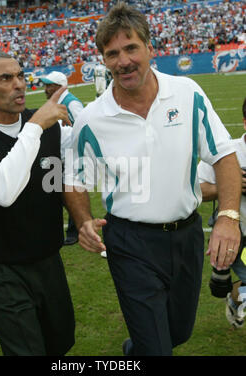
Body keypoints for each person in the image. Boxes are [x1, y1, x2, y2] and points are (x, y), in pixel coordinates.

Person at [63, 3, 241, 356]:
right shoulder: (92, 119)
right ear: (104, 59)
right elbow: (72, 177)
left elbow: (223, 154)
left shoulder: (188, 93)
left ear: (149, 48)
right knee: (158, 349)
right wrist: (83, 220)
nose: (123, 61)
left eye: (131, 48)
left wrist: (228, 216)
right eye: (112, 53)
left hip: (187, 235)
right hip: (130, 242)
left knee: (177, 333)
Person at [0, 52, 75, 356]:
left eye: (20, 75)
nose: (18, 84)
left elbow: (65, 176)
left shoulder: (51, 128)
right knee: (26, 350)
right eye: (5, 79)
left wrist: (82, 221)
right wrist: (33, 128)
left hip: (46, 258)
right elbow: (3, 190)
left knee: (60, 342)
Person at [197, 97, 246, 328]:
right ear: (245, 123)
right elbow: (196, 189)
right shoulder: (228, 152)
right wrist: (229, 186)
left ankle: (237, 298)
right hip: (240, 238)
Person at [41, 71, 84, 246]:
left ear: (59, 87)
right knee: (56, 194)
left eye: (49, 85)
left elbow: (83, 127)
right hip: (58, 154)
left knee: (69, 193)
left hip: (71, 155)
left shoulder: (71, 103)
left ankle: (76, 230)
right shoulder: (55, 103)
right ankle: (76, 226)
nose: (45, 88)